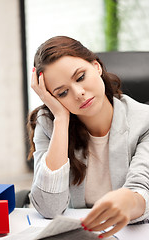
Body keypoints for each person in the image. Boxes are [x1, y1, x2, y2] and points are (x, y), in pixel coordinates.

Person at [27, 36, 149, 238]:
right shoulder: (49, 123)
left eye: (80, 77)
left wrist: (130, 201)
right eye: (62, 92)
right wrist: (60, 120)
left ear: (96, 67)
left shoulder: (144, 121)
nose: (78, 93)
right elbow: (49, 208)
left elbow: (143, 190)